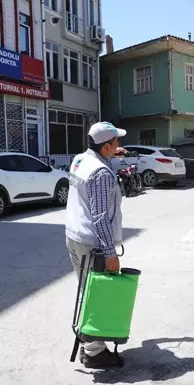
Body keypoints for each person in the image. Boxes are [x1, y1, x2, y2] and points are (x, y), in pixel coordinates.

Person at [65, 121, 126, 369]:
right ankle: (93, 352)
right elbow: (100, 216)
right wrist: (110, 253)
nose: (119, 145)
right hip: (92, 243)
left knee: (86, 289)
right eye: (116, 142)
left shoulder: (81, 160)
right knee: (97, 294)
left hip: (75, 235)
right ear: (106, 146)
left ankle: (89, 343)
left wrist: (111, 156)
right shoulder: (100, 173)